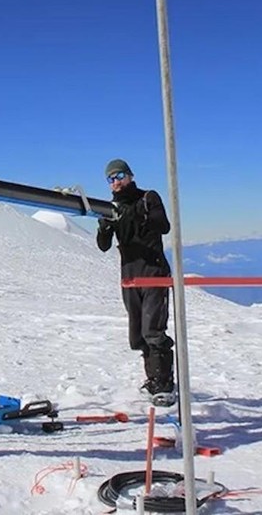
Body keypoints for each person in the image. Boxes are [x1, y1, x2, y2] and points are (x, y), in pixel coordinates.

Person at [95, 159, 176, 405]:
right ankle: (153, 381)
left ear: (130, 176)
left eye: (120, 176)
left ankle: (165, 384)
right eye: (111, 179)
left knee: (153, 329)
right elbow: (103, 246)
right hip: (129, 276)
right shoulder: (112, 207)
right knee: (138, 334)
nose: (116, 182)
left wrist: (137, 214)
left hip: (153, 272)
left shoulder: (147, 198)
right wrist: (105, 227)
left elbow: (163, 226)